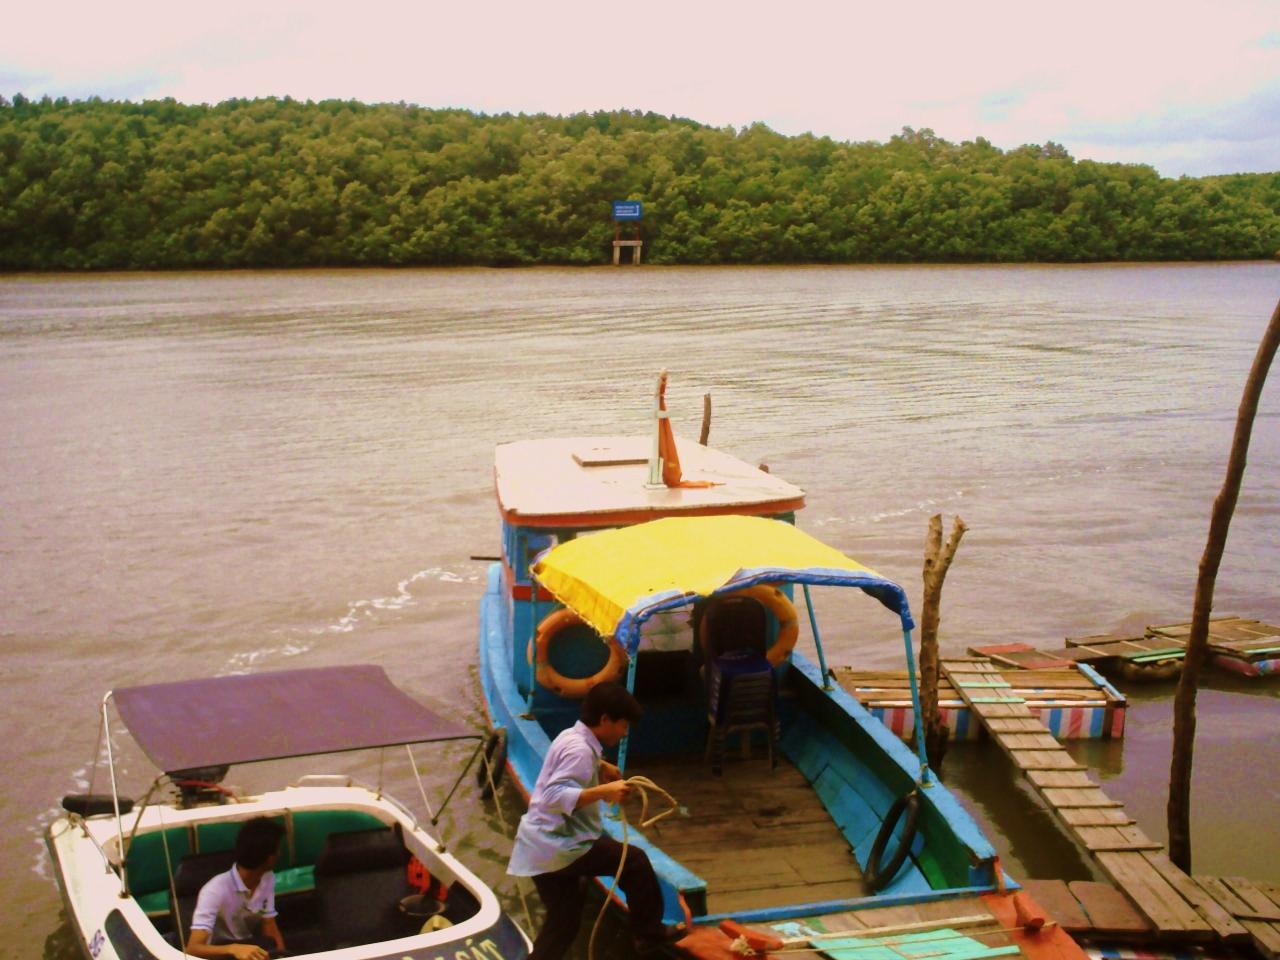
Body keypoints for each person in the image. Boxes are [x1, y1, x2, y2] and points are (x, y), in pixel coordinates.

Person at [508, 681, 684, 960]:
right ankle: (648, 934)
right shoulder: (580, 751)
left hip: (537, 845)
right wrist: (605, 791)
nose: (624, 732)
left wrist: (600, 766)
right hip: (558, 844)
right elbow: (554, 796)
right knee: (634, 862)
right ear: (604, 719)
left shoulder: (570, 736)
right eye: (623, 725)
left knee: (564, 923)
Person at [185, 817, 287, 959]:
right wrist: (233, 949)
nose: (280, 854)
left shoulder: (267, 878)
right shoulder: (214, 890)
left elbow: (269, 924)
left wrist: (282, 955)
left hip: (250, 947)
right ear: (270, 858)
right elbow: (193, 949)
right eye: (278, 850)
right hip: (220, 953)